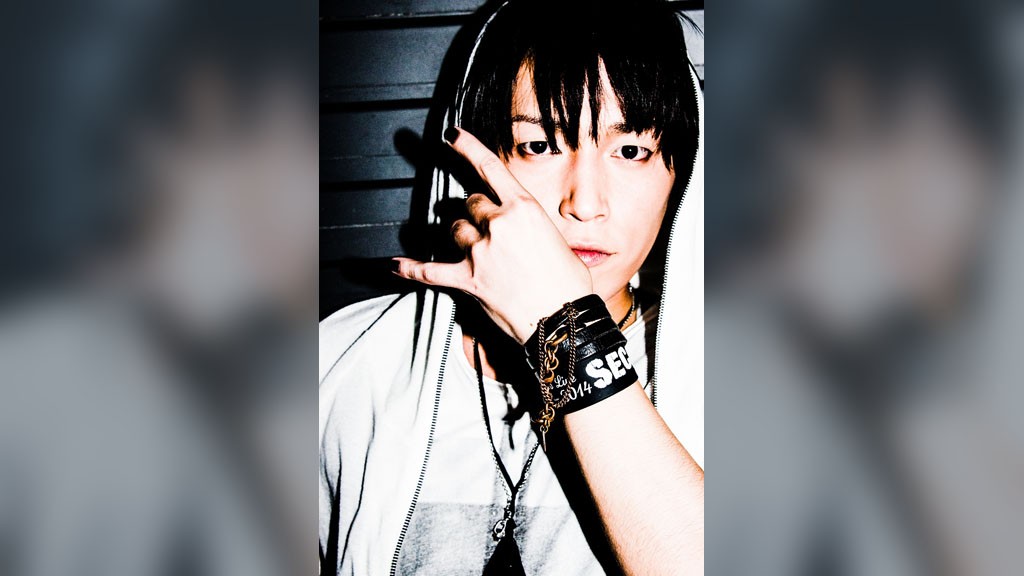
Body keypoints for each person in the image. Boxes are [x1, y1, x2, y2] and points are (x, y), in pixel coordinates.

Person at [319, 0, 704, 573]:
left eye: (631, 151)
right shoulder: (342, 364)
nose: (585, 203)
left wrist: (567, 331)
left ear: (682, 176)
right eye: (540, 145)